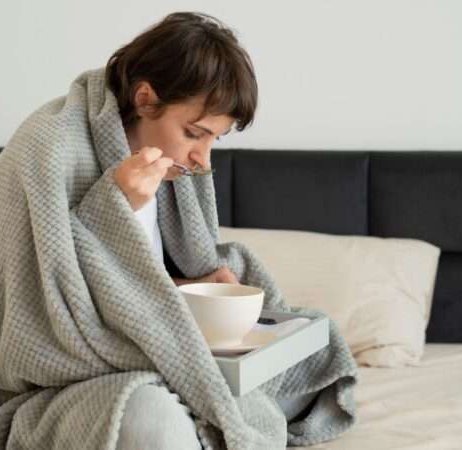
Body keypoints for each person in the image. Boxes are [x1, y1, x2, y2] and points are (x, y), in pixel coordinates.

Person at [104, 11, 319, 449]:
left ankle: (204, 413)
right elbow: (51, 295)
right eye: (193, 134)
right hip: (107, 368)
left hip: (170, 346)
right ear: (145, 100)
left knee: (314, 341)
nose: (202, 159)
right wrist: (112, 207)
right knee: (152, 420)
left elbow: (142, 282)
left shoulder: (170, 172)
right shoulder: (55, 147)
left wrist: (195, 288)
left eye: (212, 141)